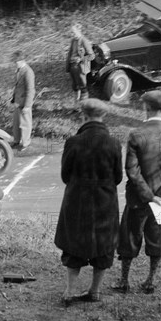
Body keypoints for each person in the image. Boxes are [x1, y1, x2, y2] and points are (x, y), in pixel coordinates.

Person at [112, 91, 161, 294]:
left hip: (138, 197)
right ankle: (150, 280)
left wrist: (148, 195)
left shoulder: (137, 135)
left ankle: (124, 280)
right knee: (158, 239)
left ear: (146, 108)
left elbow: (132, 170)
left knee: (129, 238)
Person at [54, 99, 123, 305]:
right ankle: (95, 290)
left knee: (74, 243)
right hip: (105, 200)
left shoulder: (73, 142)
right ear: (104, 117)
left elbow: (65, 175)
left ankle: (69, 290)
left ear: (83, 115)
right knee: (103, 244)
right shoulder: (114, 143)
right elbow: (118, 177)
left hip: (77, 199)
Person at [10, 51, 35, 152]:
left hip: (24, 103)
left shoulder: (28, 72)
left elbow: (31, 90)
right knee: (16, 123)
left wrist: (27, 105)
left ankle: (25, 143)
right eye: (15, 61)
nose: (15, 63)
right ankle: (16, 140)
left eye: (16, 61)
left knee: (25, 124)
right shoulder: (19, 70)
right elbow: (17, 87)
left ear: (22, 60)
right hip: (17, 102)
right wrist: (14, 99)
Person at [66, 23, 95, 101]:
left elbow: (92, 56)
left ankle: (85, 107)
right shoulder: (73, 41)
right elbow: (70, 53)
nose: (72, 34)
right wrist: (68, 66)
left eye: (73, 32)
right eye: (71, 32)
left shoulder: (84, 41)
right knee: (75, 86)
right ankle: (77, 106)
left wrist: (81, 59)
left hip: (81, 67)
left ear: (79, 31)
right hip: (72, 66)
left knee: (83, 86)